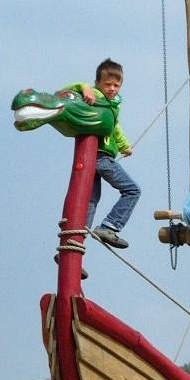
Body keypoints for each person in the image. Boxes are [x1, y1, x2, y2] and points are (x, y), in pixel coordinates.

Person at [58, 59, 138, 249]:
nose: (112, 89)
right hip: (101, 157)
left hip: (94, 158)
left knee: (91, 200)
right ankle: (110, 226)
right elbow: (63, 92)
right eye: (107, 84)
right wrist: (83, 87)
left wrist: (124, 146)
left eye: (116, 85)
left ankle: (74, 243)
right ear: (98, 83)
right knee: (132, 190)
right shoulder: (94, 95)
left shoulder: (112, 105)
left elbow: (115, 127)